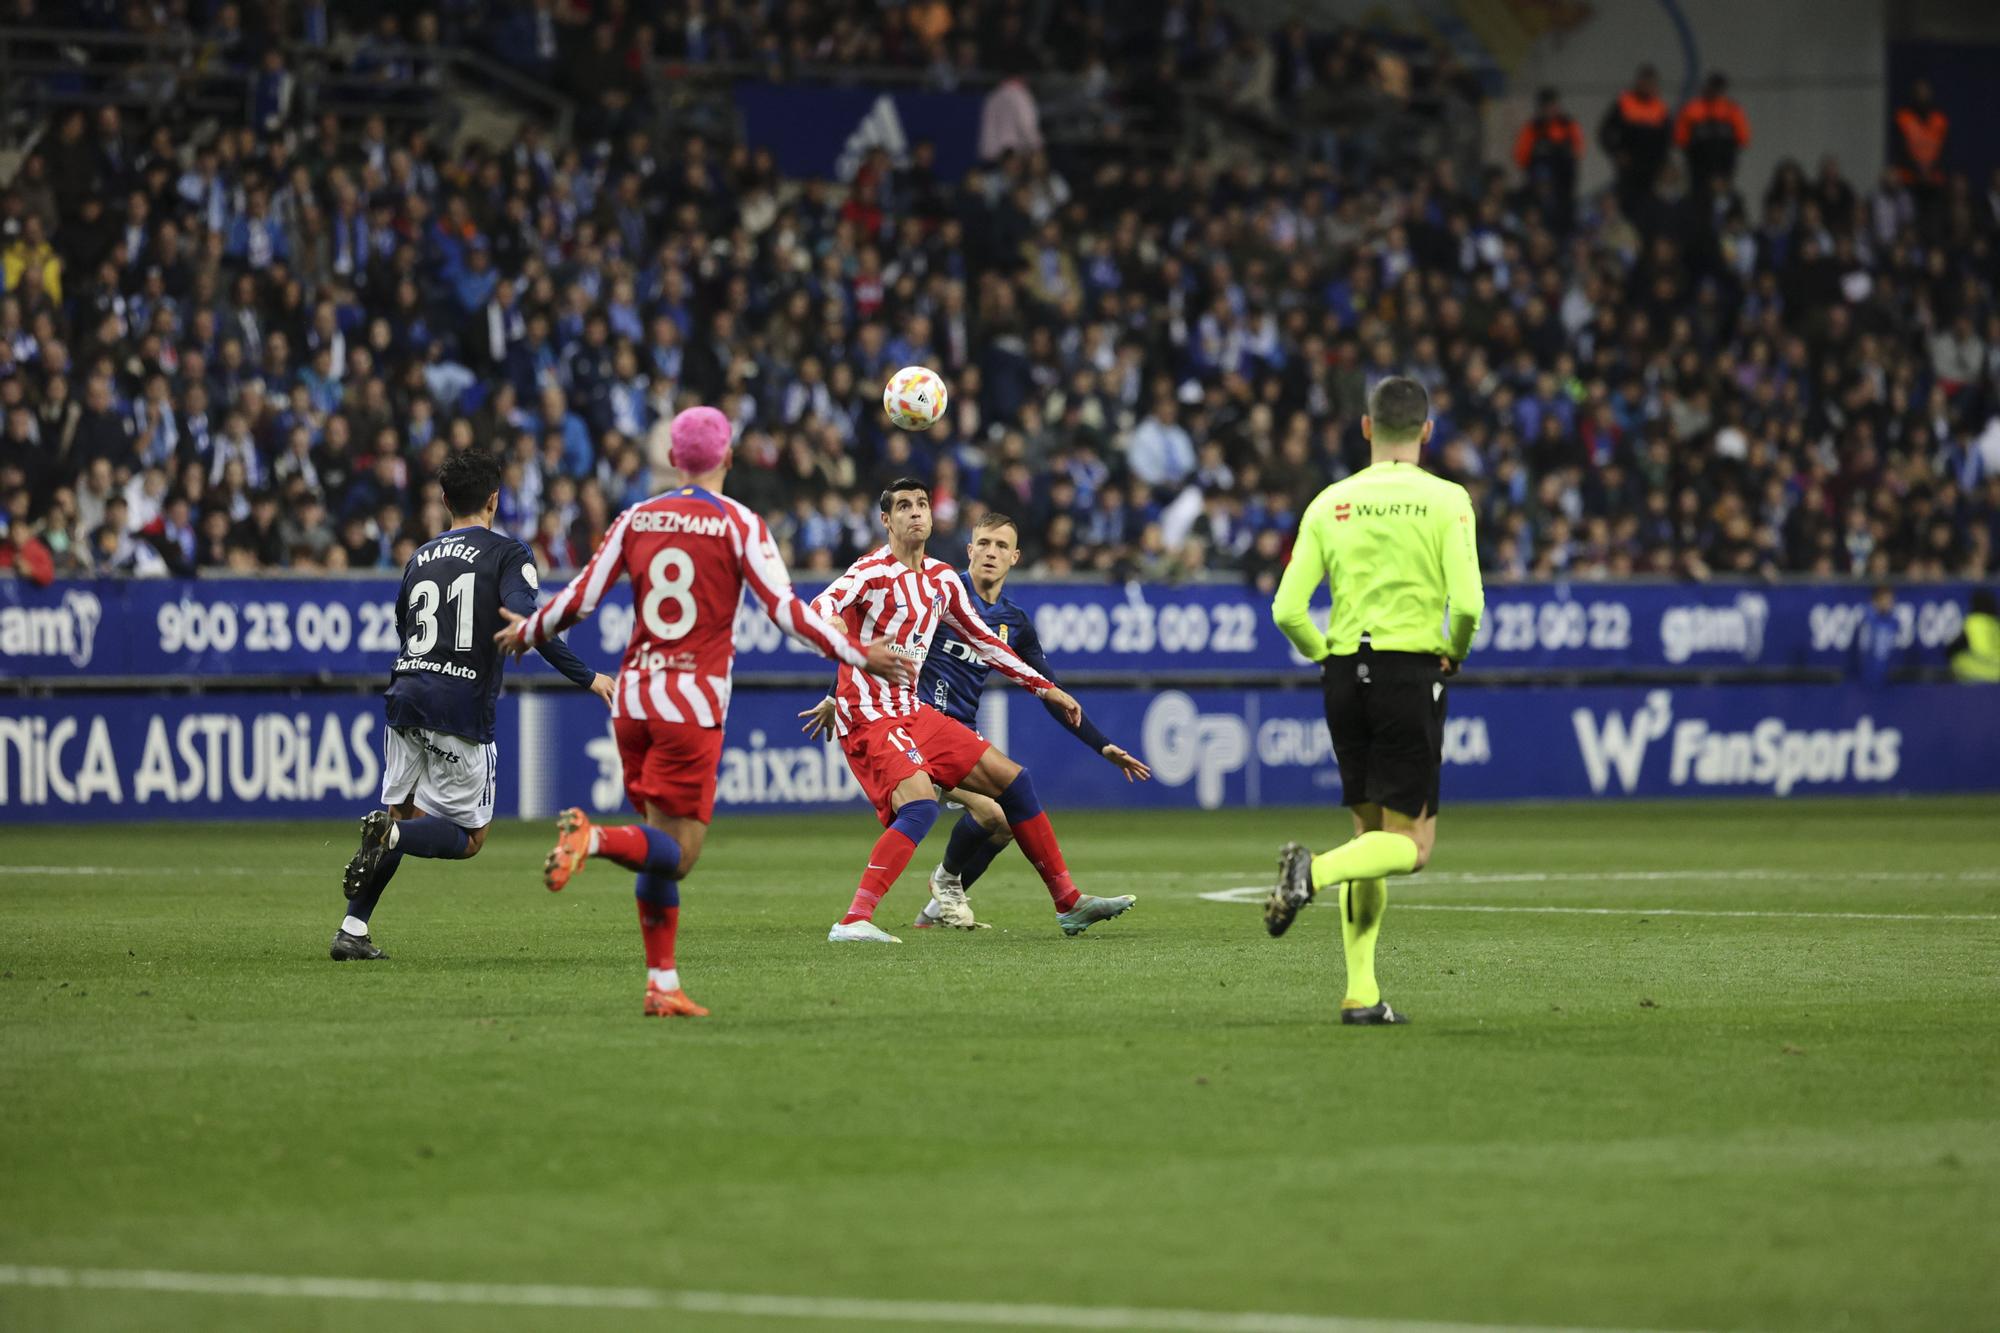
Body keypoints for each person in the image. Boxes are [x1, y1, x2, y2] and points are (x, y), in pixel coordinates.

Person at [494, 407, 908, 1017]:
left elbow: (580, 597)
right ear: (728, 458)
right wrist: (856, 651)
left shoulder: (635, 517)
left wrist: (530, 629)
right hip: (690, 706)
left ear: (673, 460)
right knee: (678, 855)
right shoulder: (739, 522)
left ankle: (662, 984)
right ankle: (594, 836)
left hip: (632, 700)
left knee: (658, 842)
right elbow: (787, 612)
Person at [810, 478, 1136, 943]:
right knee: (921, 806)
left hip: (912, 712)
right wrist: (841, 637)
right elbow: (821, 606)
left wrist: (1046, 688)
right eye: (904, 506)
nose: (916, 513)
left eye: (922, 504)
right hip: (870, 712)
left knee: (1014, 783)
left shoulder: (941, 579)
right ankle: (853, 920)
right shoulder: (870, 572)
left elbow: (984, 641)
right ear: (887, 520)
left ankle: (1068, 902)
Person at [333, 449, 614, 962]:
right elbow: (529, 618)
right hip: (457, 705)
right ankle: (391, 833)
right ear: (494, 499)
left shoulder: (419, 555)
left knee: (401, 809)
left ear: (443, 501)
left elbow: (405, 626)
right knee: (468, 836)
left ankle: (353, 926)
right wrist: (588, 676)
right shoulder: (509, 553)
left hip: (406, 693)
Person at [1264, 377, 1485, 1026]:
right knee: (1411, 845)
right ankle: (1314, 872)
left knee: (1372, 834)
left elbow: (1285, 609)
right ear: (1425, 431)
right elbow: (1468, 603)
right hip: (1409, 670)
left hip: (1344, 675)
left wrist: (1322, 651)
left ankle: (1361, 992)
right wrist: (1456, 648)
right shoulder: (1447, 500)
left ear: (1366, 428)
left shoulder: (1331, 502)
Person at [1598, 64, 1671, 216]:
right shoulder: (1625, 103)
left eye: (1651, 83)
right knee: (1627, 204)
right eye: (1645, 83)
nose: (1647, 87)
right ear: (1638, 82)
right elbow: (1605, 132)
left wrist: (1663, 163)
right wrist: (1617, 153)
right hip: (1629, 168)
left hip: (1651, 169)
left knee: (1650, 207)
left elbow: (1666, 140)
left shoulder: (1659, 107)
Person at [1513, 87, 1584, 232]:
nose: (1551, 110)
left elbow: (1578, 149)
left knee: (1564, 220)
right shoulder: (1532, 127)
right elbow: (1520, 155)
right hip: (1539, 186)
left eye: (1553, 106)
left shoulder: (1568, 125)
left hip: (1564, 185)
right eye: (1547, 107)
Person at [1674, 72, 1751, 194]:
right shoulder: (1692, 108)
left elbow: (1743, 138)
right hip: (1698, 164)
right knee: (1699, 195)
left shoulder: (1732, 109)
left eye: (1718, 88)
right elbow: (1681, 138)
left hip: (1724, 163)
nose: (1715, 91)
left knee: (1722, 197)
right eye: (1714, 87)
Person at [1854, 584, 1901, 690]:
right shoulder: (1868, 620)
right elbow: (1862, 650)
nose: (1890, 603)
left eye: (1891, 600)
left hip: (1886, 677)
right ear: (1877, 601)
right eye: (1886, 600)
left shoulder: (1893, 621)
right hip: (1867, 678)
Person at [1948, 589, 2000, 683]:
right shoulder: (1996, 623)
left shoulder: (1973, 621)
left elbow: (1953, 648)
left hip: (1982, 672)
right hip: (1997, 671)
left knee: (1957, 661)